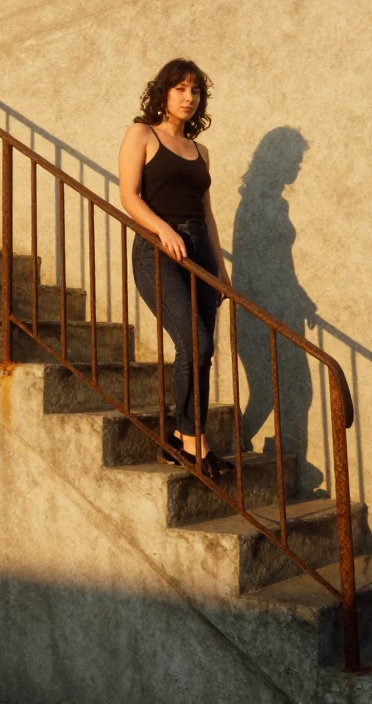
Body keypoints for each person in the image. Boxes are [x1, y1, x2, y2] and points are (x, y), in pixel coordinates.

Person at [118, 58, 233, 479]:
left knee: (204, 351)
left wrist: (220, 270)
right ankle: (189, 442)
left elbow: (208, 213)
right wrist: (164, 231)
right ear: (163, 93)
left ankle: (189, 441)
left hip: (200, 249)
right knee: (195, 344)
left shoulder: (201, 151)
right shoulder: (142, 134)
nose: (189, 97)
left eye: (196, 90)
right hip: (157, 250)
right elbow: (130, 197)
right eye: (180, 88)